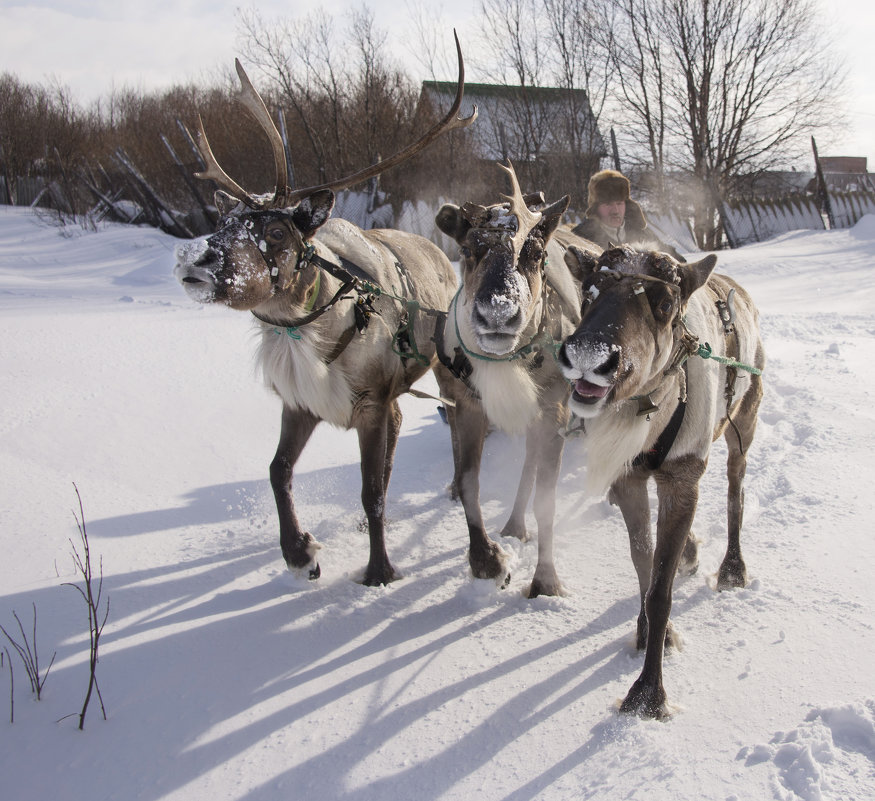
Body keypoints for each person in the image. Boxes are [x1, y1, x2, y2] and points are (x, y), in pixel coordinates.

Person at [571, 169, 685, 261]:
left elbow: (670, 255)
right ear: (596, 208)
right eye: (607, 204)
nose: (615, 210)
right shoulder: (580, 238)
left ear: (626, 205)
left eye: (619, 203)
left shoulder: (641, 233)